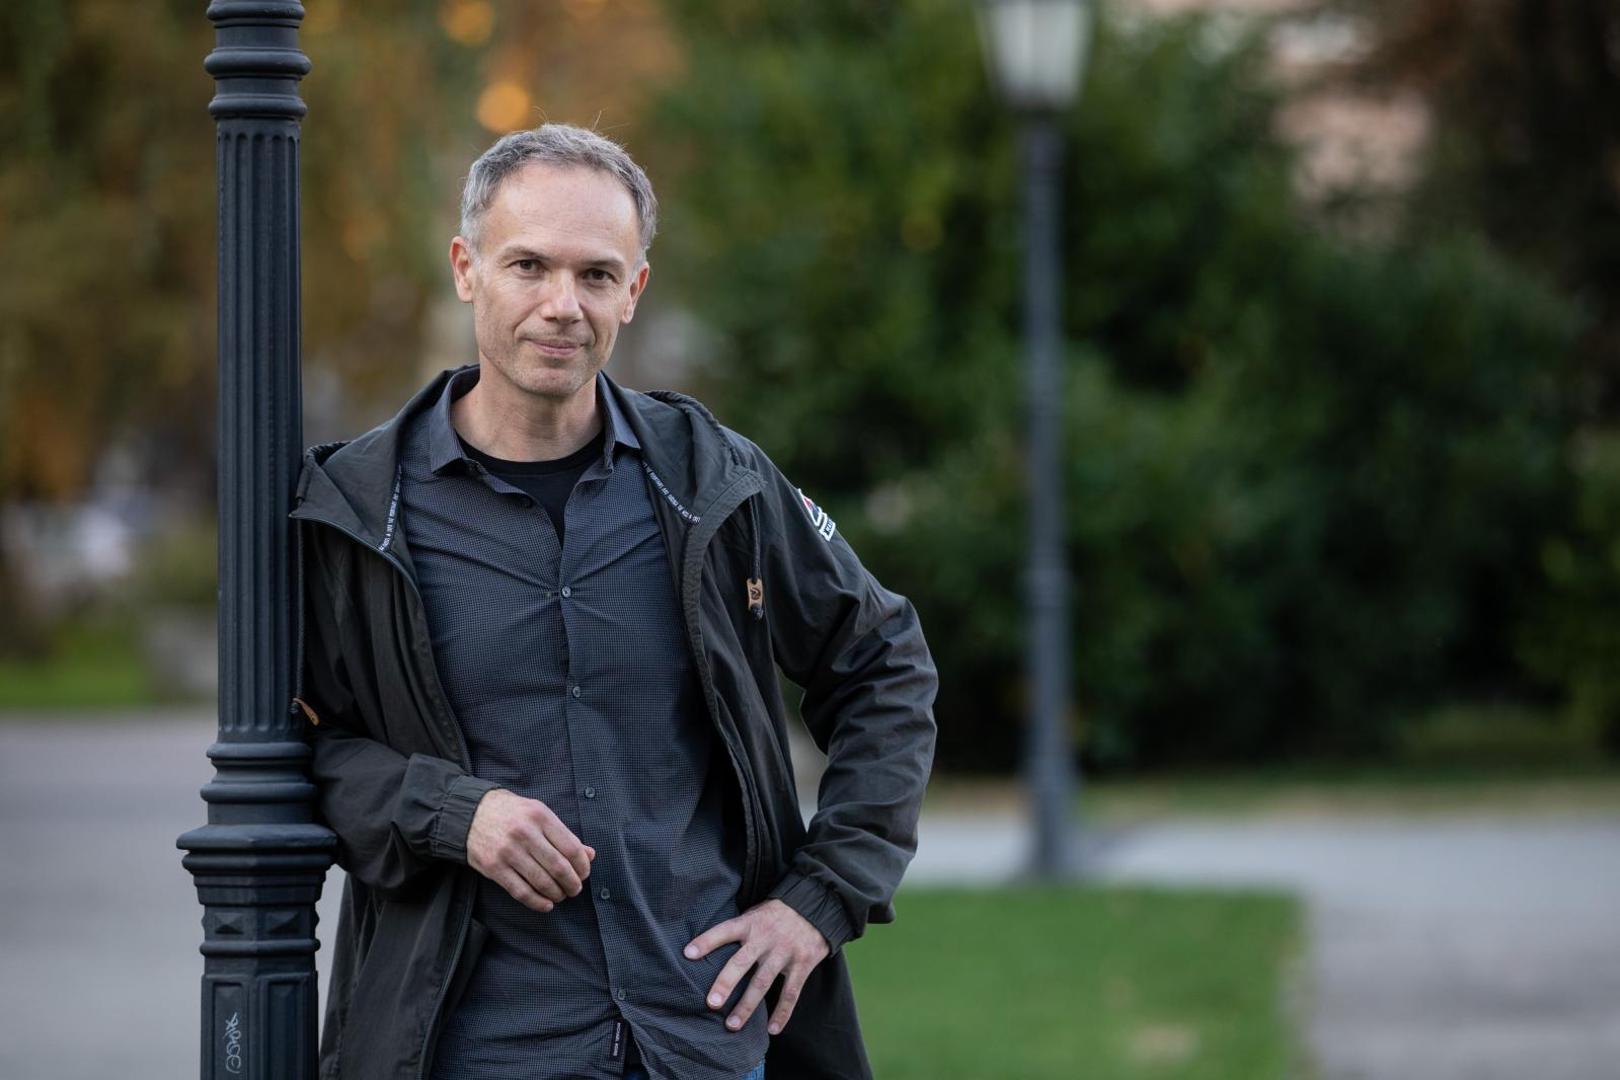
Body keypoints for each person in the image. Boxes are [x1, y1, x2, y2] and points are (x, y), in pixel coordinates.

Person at [291, 123, 937, 1080]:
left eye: (596, 275)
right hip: (472, 1049)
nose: (562, 305)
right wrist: (452, 811)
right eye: (528, 266)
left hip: (700, 1038)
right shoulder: (357, 507)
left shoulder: (713, 479)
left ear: (633, 291)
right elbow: (300, 747)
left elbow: (885, 662)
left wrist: (821, 898)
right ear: (467, 269)